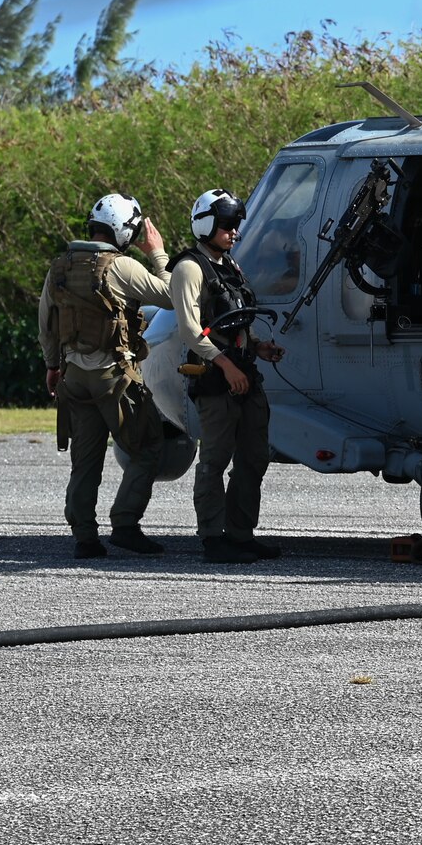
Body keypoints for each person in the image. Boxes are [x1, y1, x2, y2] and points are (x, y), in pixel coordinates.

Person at [37, 193, 174, 558]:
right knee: (147, 448)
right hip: (113, 377)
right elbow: (176, 296)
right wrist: (157, 253)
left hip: (73, 377)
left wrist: (52, 366)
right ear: (124, 231)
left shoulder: (59, 268)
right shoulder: (121, 267)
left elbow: (46, 324)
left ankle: (85, 537)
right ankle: (126, 524)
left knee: (85, 459)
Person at [169, 188, 287, 565]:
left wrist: (257, 347)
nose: (234, 232)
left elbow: (234, 320)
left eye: (236, 226)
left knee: (254, 457)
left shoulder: (231, 266)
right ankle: (212, 537)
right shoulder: (189, 268)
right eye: (226, 226)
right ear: (206, 225)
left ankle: (240, 533)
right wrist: (227, 364)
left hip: (243, 372)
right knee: (215, 460)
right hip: (215, 378)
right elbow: (191, 329)